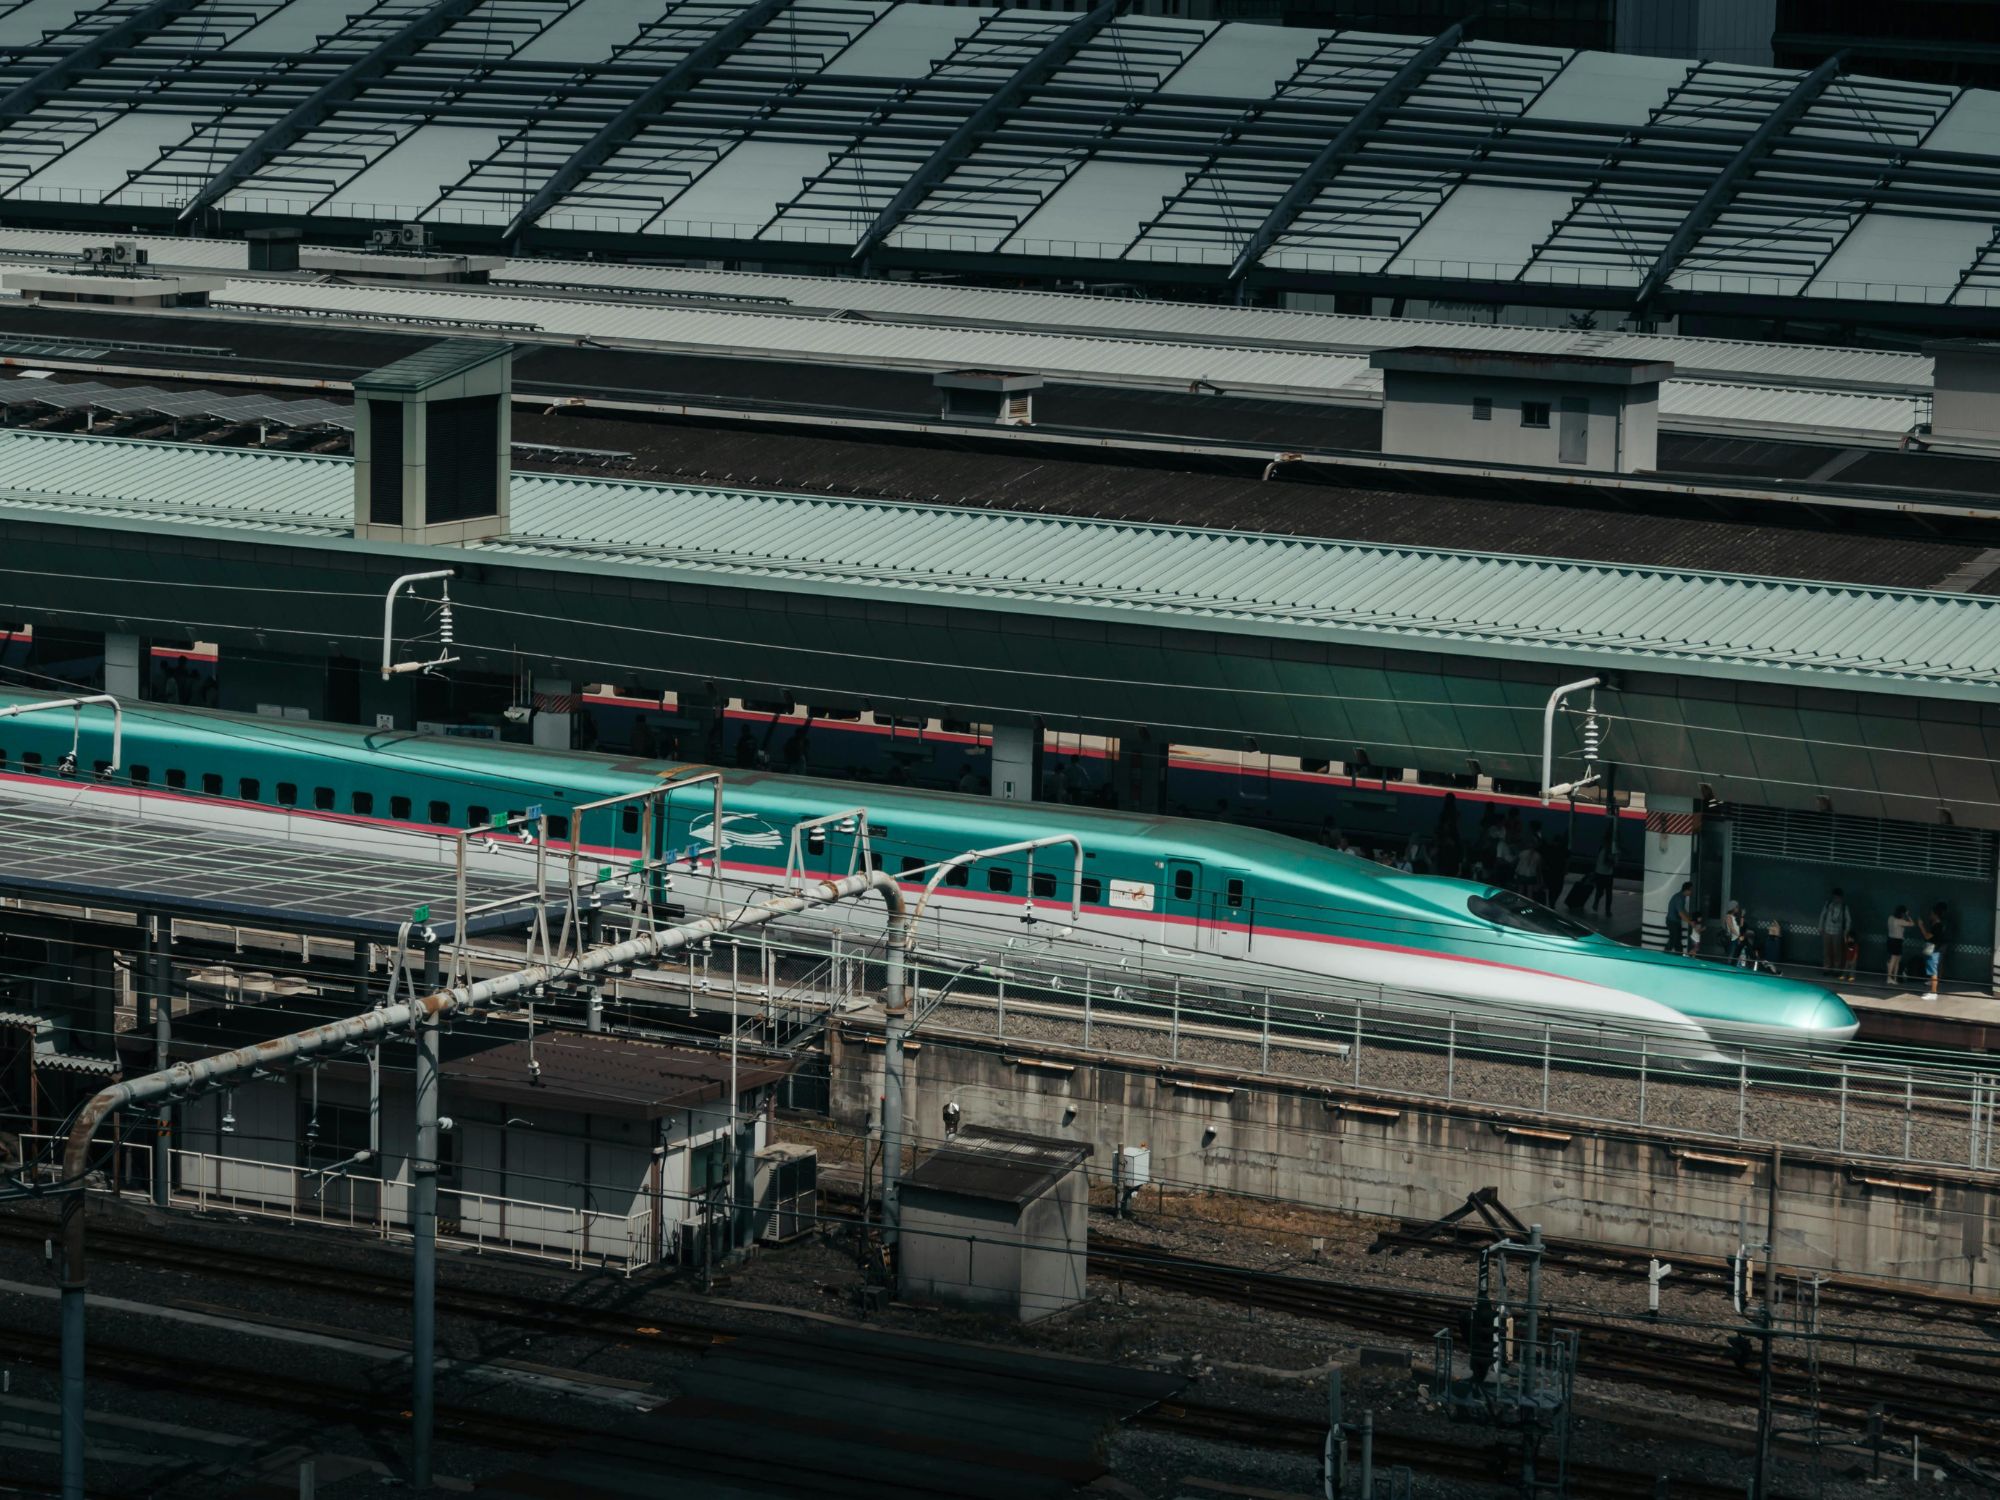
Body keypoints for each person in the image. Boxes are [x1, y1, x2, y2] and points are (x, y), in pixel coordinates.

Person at [1817, 888, 1850, 976]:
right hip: (1827, 930)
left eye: (1838, 897)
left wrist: (1846, 931)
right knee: (1826, 951)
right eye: (1835, 897)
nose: (1836, 899)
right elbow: (1822, 915)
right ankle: (1826, 968)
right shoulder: (1828, 904)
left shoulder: (1844, 907)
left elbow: (1848, 920)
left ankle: (1837, 969)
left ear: (1841, 898)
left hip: (1837, 932)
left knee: (1837, 952)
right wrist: (1820, 927)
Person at [1920, 903, 1949, 997]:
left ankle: (1933, 993)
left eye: (1932, 913)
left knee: (1933, 971)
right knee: (1932, 970)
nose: (1930, 915)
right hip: (1934, 949)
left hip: (1934, 949)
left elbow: (1927, 936)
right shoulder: (1937, 925)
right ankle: (1932, 991)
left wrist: (1921, 926)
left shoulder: (1937, 926)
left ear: (1936, 914)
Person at [1886, 905, 1913, 986]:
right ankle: (1889, 978)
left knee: (1896, 960)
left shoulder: (1890, 918)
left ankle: (1894, 978)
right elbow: (1912, 924)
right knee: (1894, 960)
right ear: (1902, 913)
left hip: (1890, 939)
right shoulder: (1900, 921)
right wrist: (1908, 915)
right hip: (1897, 941)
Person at [1589, 833, 1615, 914]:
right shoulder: (1610, 850)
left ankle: (1597, 904)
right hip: (1606, 874)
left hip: (1600, 873)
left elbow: (1599, 861)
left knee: (1600, 891)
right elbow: (1612, 863)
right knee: (1607, 893)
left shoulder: (1604, 849)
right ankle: (1607, 910)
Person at [1665, 880, 1693, 955]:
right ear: (1687, 890)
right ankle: (1665, 955)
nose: (1692, 892)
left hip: (1675, 922)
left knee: (1677, 940)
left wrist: (1689, 917)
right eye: (1691, 890)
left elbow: (1683, 910)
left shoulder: (1682, 897)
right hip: (1672, 922)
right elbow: (1681, 913)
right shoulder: (1679, 898)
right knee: (1673, 940)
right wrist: (1690, 922)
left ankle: (1679, 955)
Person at [1724, 901, 1748, 966]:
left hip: (1736, 938)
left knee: (1734, 955)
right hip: (1732, 939)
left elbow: (1741, 926)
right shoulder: (1728, 916)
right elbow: (1731, 928)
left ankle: (1732, 967)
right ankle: (1728, 969)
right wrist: (1739, 935)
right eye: (1737, 907)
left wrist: (1742, 916)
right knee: (1731, 956)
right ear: (1733, 908)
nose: (1738, 909)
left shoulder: (1733, 917)